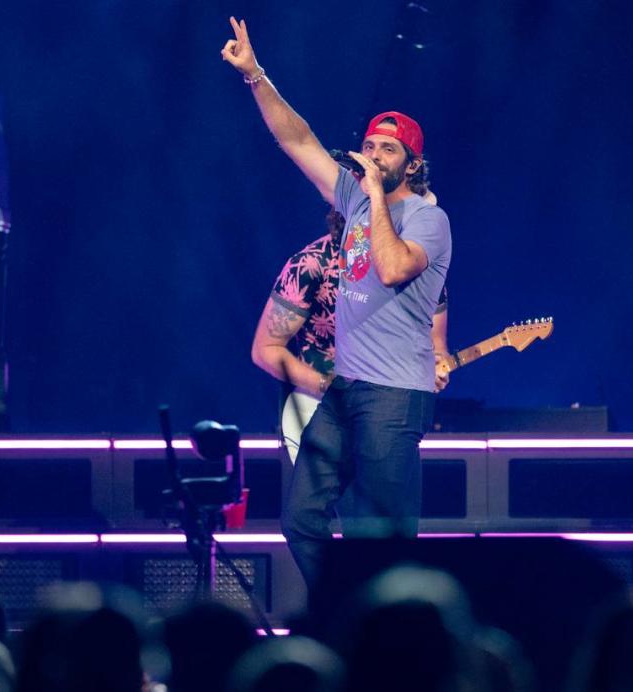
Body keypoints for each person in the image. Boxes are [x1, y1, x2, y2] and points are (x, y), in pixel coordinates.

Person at [223, 17, 452, 587]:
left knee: (382, 531)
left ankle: (391, 642)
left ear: (412, 164)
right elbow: (296, 138)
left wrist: (373, 194)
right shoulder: (351, 198)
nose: (373, 154)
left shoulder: (429, 218)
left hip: (395, 398)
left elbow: (396, 267)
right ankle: (343, 610)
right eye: (370, 144)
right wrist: (256, 76)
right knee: (301, 517)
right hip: (346, 388)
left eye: (388, 149)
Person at [251, 205, 450, 464]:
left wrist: (435, 366)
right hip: (319, 409)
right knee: (325, 503)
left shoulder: (420, 269)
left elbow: (436, 346)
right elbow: (266, 349)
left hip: (387, 414)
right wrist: (327, 385)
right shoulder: (311, 264)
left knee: (384, 503)